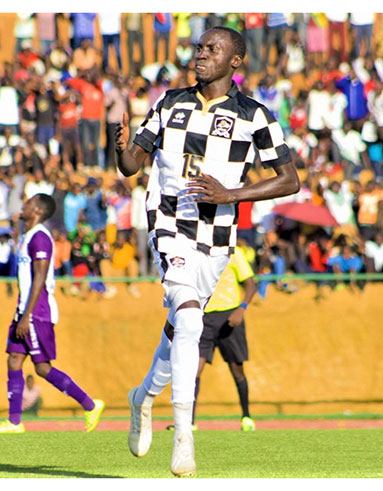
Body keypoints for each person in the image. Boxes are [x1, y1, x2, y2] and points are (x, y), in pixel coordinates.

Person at [114, 26, 299, 476]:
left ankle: (143, 397)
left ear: (235, 61)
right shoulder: (169, 102)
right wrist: (119, 147)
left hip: (216, 236)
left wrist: (233, 194)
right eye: (199, 48)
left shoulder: (255, 115)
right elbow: (131, 166)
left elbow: (290, 179)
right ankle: (183, 437)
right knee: (192, 315)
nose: (201, 55)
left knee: (181, 324)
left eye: (212, 49)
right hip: (168, 221)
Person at [0, 194, 105, 434]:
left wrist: (27, 315)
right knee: (14, 359)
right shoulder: (26, 236)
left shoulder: (40, 237)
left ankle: (90, 405)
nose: (23, 205)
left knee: (42, 367)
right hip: (24, 308)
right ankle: (14, 422)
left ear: (38, 210)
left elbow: (39, 277)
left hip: (37, 311)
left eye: (28, 203)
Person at [193, 248, 259, 432]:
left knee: (237, 369)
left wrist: (241, 308)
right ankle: (188, 422)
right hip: (204, 317)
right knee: (194, 370)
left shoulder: (233, 253)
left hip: (229, 316)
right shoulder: (198, 252)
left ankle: (246, 416)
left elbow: (251, 284)